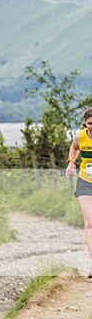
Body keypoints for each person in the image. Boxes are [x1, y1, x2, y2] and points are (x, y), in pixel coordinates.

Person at [66, 107, 92, 277]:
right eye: (90, 123)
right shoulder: (80, 136)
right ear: (85, 123)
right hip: (85, 181)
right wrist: (71, 162)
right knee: (90, 222)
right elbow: (74, 147)